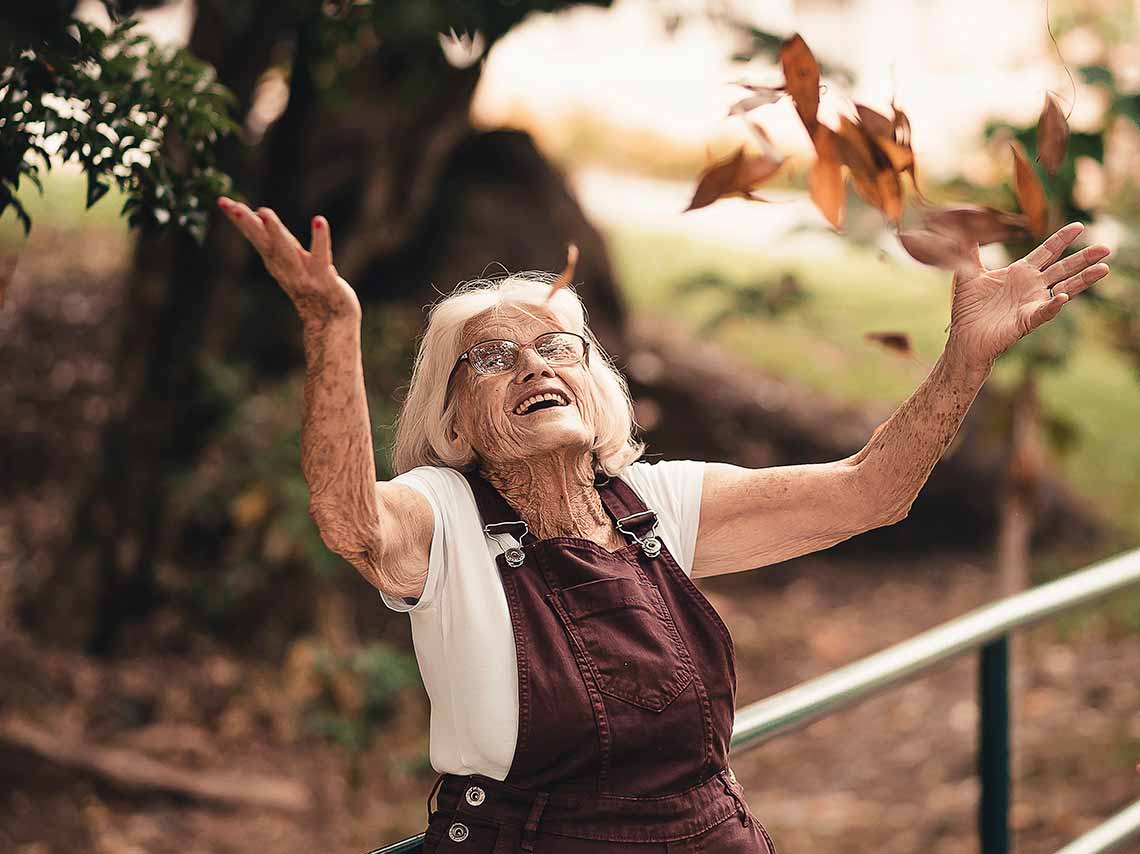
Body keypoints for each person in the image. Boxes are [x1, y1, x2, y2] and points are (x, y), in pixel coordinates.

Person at [216, 196, 1110, 853]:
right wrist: (331, 330)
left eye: (555, 347)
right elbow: (349, 520)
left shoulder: (658, 501)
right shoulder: (443, 514)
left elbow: (870, 491)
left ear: (593, 381)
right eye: (491, 358)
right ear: (453, 420)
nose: (534, 366)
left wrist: (964, 359)